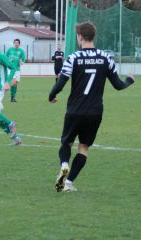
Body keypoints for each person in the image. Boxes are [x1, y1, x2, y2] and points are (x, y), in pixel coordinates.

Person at [49, 22, 134, 192]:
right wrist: (129, 81)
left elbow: (60, 83)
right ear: (94, 36)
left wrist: (52, 95)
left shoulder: (73, 58)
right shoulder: (105, 58)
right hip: (95, 112)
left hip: (74, 110)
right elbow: (118, 85)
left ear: (80, 36)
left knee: (66, 143)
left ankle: (64, 165)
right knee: (84, 147)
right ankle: (69, 183)